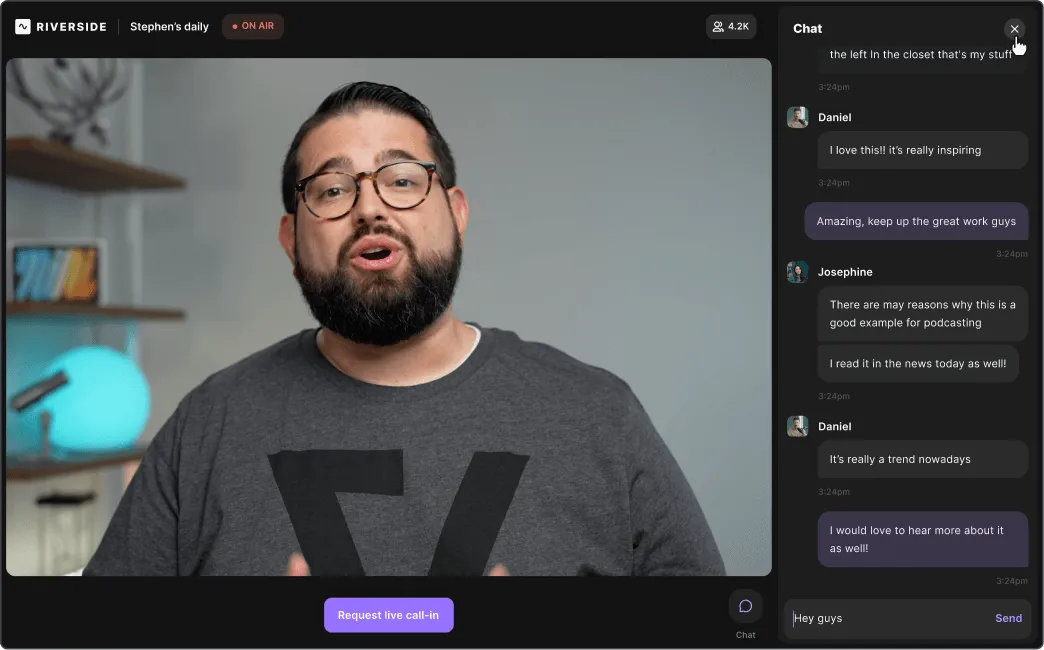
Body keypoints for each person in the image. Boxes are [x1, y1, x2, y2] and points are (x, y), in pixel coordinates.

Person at [84, 82, 725, 578]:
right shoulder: (209, 424)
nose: (369, 208)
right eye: (332, 190)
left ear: (456, 210)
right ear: (290, 238)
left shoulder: (598, 414)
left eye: (401, 181)